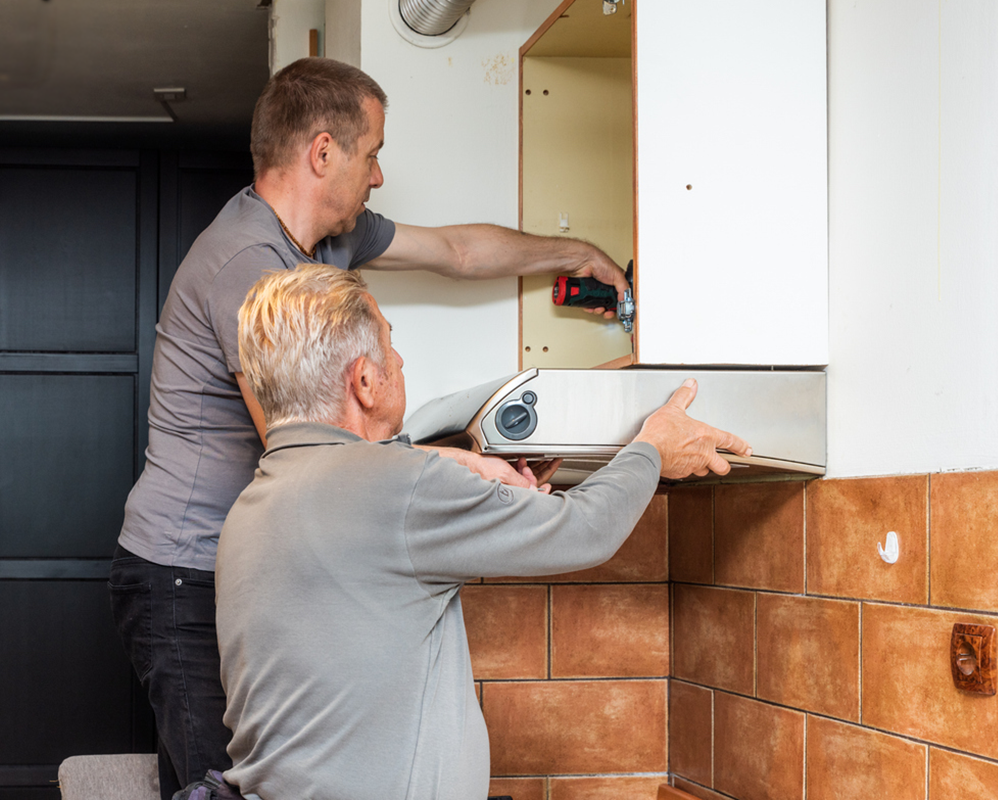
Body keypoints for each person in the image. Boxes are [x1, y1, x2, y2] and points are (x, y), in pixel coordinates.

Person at [109, 56, 632, 798]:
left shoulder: (326, 247)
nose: (381, 175)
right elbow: (303, 452)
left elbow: (457, 251)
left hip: (254, 563)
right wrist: (468, 468)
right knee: (225, 787)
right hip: (183, 573)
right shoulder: (251, 269)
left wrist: (573, 252)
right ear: (323, 153)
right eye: (374, 153)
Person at [216, 265, 749, 800]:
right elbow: (584, 531)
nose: (399, 360)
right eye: (390, 345)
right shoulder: (393, 486)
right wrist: (653, 449)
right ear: (363, 381)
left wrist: (492, 496)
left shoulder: (252, 507)